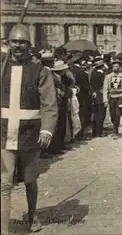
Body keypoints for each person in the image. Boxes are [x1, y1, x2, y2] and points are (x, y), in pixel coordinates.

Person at [1, 24, 58, 234]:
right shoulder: (1, 68)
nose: (18, 46)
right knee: (4, 183)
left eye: (22, 42)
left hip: (30, 134)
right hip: (4, 134)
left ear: (29, 45)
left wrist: (47, 130)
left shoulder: (40, 72)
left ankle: (33, 214)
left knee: (29, 180)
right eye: (14, 41)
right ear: (8, 44)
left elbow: (49, 104)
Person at [103, 60, 122, 136]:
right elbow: (105, 89)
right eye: (114, 66)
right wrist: (105, 100)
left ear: (120, 67)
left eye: (117, 66)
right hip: (112, 97)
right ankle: (114, 126)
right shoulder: (108, 77)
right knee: (112, 114)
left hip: (120, 97)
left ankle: (116, 130)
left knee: (117, 114)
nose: (115, 68)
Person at [90, 60, 107, 137]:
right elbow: (104, 84)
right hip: (101, 94)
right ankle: (99, 132)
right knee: (101, 114)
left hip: (95, 94)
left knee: (95, 113)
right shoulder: (101, 74)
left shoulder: (93, 72)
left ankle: (94, 132)